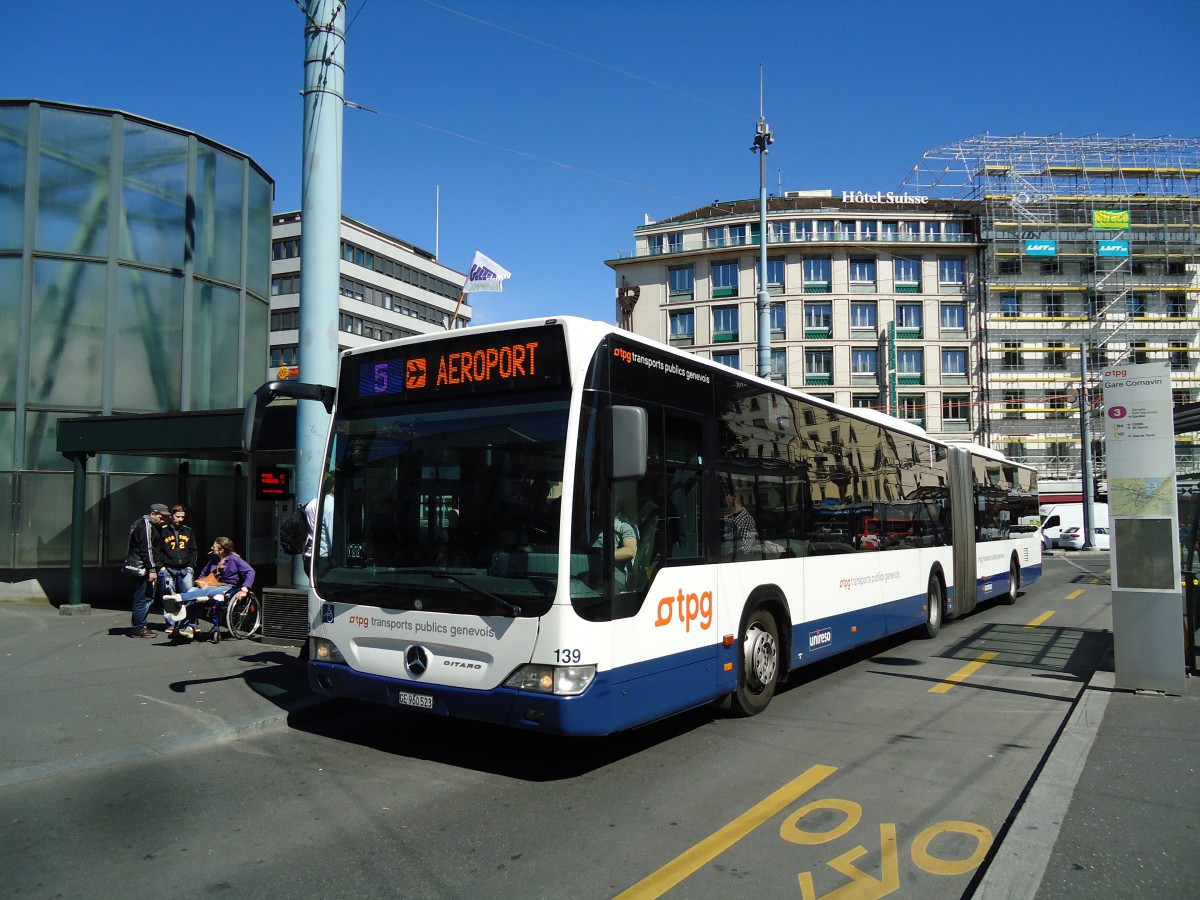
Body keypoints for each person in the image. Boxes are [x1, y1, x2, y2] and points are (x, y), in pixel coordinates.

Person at [162, 536, 255, 641]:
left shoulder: (235, 559)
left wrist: (245, 589)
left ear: (221, 549)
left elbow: (250, 572)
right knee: (192, 591)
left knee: (207, 591)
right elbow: (203, 573)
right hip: (211, 585)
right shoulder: (214, 559)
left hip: (228, 587)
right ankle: (188, 627)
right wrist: (201, 582)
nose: (211, 548)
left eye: (214, 546)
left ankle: (178, 598)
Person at [127, 502, 170, 637]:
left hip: (142, 566)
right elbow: (147, 549)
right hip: (142, 568)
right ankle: (138, 628)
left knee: (147, 597)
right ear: (153, 514)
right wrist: (151, 569)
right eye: (161, 517)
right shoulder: (145, 525)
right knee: (143, 597)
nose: (163, 520)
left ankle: (141, 625)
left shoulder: (148, 524)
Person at [158, 505, 198, 636]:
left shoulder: (188, 530)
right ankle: (171, 624)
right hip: (168, 568)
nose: (180, 519)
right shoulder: (162, 530)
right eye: (177, 517)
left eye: (182, 517)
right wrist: (161, 567)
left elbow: (193, 550)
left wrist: (191, 566)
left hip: (185, 568)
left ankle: (189, 623)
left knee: (189, 596)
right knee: (169, 597)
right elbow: (157, 550)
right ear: (171, 516)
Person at [304, 474, 334, 571]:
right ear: (333, 487)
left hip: (309, 556)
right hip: (324, 558)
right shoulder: (331, 506)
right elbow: (332, 536)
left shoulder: (312, 503)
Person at [722, 489, 760, 556]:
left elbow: (744, 547)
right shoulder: (729, 517)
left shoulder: (746, 519)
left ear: (734, 497)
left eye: (726, 495)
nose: (724, 499)